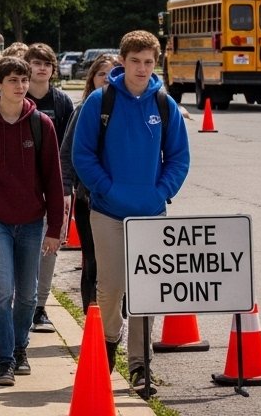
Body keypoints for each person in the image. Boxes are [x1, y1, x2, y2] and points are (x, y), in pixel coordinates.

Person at [71, 31, 190, 395]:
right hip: (107, 211)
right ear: (122, 61)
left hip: (150, 214)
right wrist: (106, 188)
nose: (141, 68)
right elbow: (82, 154)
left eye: (148, 62)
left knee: (146, 290)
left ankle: (140, 365)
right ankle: (108, 345)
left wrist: (160, 192)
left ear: (157, 63)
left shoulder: (164, 104)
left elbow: (179, 158)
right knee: (111, 289)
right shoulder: (100, 101)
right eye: (135, 61)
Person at [0, 57, 65, 387]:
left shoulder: (41, 124)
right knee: (3, 290)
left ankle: (20, 349)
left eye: (24, 80)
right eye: (13, 80)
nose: (20, 86)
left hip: (32, 221)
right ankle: (3, 360)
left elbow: (54, 180)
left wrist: (55, 228)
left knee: (29, 295)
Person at [59, 53, 120, 311]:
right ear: (91, 79)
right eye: (101, 74)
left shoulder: (131, 108)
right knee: (93, 262)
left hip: (125, 201)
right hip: (89, 200)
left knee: (123, 265)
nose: (106, 78)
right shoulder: (84, 110)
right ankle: (92, 321)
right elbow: (67, 155)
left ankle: (120, 319)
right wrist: (65, 192)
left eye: (112, 73)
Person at [23, 43, 75, 335]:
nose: (41, 68)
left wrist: (66, 186)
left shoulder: (62, 102)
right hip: (21, 187)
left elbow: (69, 148)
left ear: (53, 70)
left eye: (47, 64)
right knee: (24, 247)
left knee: (50, 247)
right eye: (36, 63)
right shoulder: (17, 97)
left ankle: (40, 307)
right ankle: (22, 301)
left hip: (54, 185)